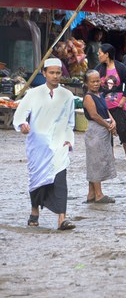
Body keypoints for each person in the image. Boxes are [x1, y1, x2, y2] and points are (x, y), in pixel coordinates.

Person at [13, 58, 76, 230]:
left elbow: (71, 123)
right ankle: (34, 212)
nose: (55, 76)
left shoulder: (67, 96)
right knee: (37, 180)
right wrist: (22, 125)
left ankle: (62, 219)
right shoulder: (33, 94)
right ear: (44, 73)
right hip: (37, 147)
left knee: (60, 180)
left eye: (58, 73)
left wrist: (69, 141)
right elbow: (19, 116)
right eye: (52, 73)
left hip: (59, 145)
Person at [82, 70, 117, 204]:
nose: (96, 84)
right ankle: (98, 194)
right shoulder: (88, 97)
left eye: (98, 81)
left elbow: (106, 111)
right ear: (87, 83)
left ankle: (91, 194)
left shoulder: (99, 95)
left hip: (103, 129)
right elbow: (95, 115)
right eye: (93, 81)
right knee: (95, 162)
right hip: (95, 131)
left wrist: (113, 121)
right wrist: (108, 126)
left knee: (98, 160)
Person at [95, 43, 126, 160]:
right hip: (103, 103)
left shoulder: (120, 67)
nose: (98, 55)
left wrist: (124, 98)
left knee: (121, 126)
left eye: (100, 53)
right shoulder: (99, 69)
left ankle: (125, 144)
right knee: (107, 128)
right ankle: (110, 152)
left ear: (107, 54)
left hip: (117, 102)